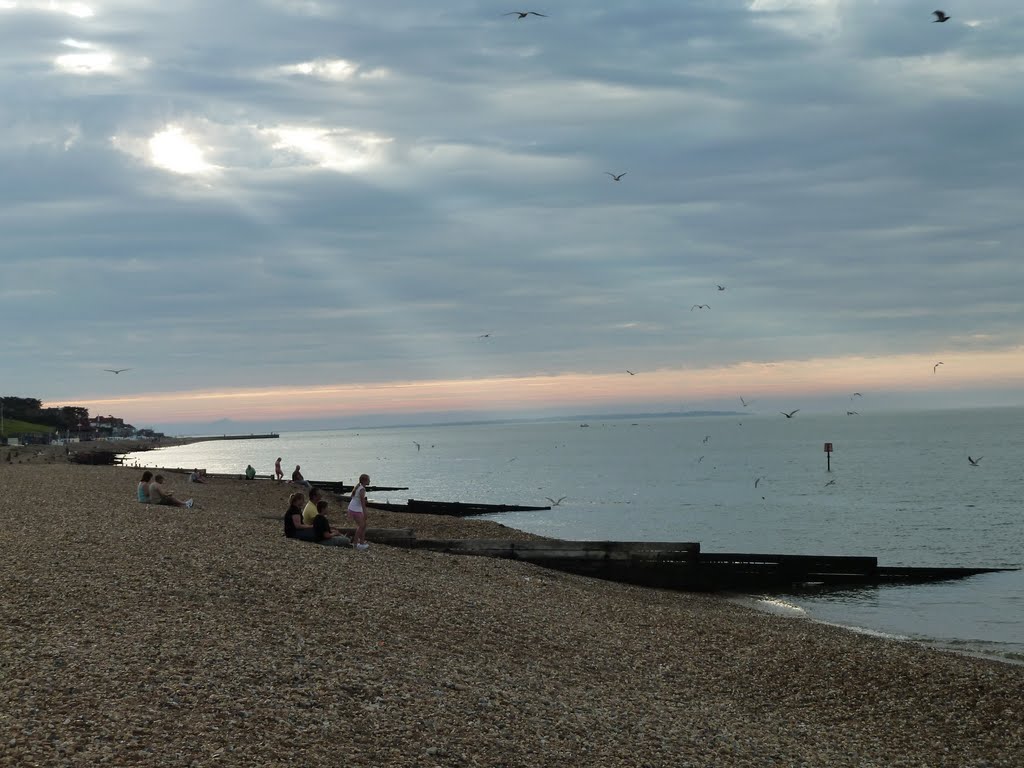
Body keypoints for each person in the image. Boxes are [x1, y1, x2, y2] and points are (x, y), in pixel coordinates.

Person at [347, 473, 371, 550]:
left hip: (353, 508)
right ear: (364, 480)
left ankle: (361, 542)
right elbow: (362, 501)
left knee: (364, 525)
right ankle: (356, 544)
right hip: (355, 509)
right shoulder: (362, 489)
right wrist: (365, 512)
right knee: (361, 526)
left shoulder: (359, 487)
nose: (370, 481)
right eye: (368, 479)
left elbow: (356, 498)